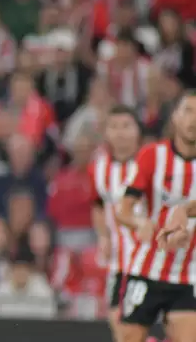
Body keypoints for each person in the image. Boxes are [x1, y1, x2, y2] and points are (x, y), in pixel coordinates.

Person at [117, 90, 196, 342]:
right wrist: (140, 222)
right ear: (175, 117)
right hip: (147, 267)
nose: (193, 119)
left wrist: (184, 210)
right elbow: (123, 209)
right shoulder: (153, 155)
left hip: (189, 272)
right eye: (188, 111)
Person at [89, 105, 141, 342]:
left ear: (137, 131)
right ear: (106, 132)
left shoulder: (151, 163)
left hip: (152, 259)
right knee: (118, 323)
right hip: (119, 261)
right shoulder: (99, 168)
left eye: (126, 126)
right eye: (114, 127)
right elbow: (97, 204)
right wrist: (103, 236)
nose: (120, 133)